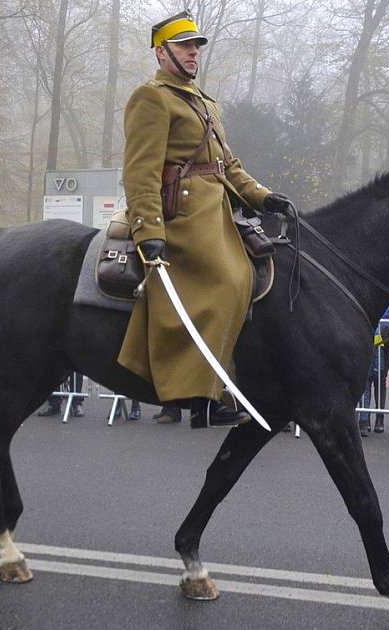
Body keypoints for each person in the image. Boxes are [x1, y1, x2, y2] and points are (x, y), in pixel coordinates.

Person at [119, 10, 290, 427]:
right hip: (182, 218)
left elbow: (227, 166)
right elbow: (140, 170)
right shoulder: (152, 97)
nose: (193, 53)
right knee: (229, 281)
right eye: (184, 46)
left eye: (196, 46)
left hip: (218, 214)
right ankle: (204, 394)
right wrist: (148, 230)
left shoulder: (204, 102)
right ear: (162, 53)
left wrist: (262, 197)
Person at [359, 297, 389, 435]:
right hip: (368, 336)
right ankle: (364, 419)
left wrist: (386, 330)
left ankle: (379, 417)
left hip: (386, 340)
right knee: (366, 380)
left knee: (380, 379)